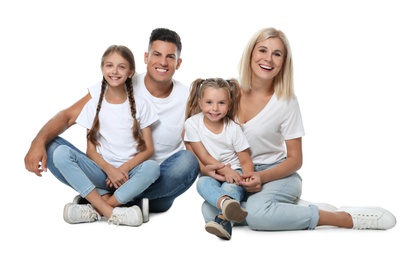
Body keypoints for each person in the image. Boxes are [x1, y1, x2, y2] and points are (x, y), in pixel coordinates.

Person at [199, 27, 397, 237]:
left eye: (277, 54)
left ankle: (343, 218)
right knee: (209, 210)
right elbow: (200, 132)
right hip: (239, 175)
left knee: (256, 216)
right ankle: (285, 209)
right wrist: (211, 168)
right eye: (263, 51)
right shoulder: (228, 91)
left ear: (284, 62)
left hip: (276, 174)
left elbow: (295, 159)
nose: (268, 59)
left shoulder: (286, 102)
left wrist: (261, 176)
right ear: (251, 53)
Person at [24, 28, 199, 221]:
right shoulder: (118, 81)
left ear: (179, 63)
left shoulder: (188, 98)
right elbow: (67, 117)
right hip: (105, 173)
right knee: (50, 145)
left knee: (188, 162)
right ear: (146, 57)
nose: (163, 62)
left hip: (152, 182)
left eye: (170, 57)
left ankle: (100, 203)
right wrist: (37, 141)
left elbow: (204, 140)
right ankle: (121, 204)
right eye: (157, 54)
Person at [59, 45, 160, 226]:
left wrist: (123, 169)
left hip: (129, 175)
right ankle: (111, 211)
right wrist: (109, 169)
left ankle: (96, 208)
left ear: (130, 72)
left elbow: (149, 149)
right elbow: (90, 151)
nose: (114, 71)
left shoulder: (142, 104)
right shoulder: (92, 105)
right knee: (60, 153)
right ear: (102, 69)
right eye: (109, 65)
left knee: (152, 168)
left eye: (121, 67)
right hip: (101, 172)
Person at [184, 78, 254, 240]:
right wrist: (224, 169)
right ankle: (226, 206)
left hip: (234, 172)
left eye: (221, 103)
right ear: (200, 103)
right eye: (209, 102)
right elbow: (203, 155)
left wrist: (246, 179)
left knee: (230, 190)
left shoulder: (233, 129)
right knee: (202, 183)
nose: (214, 108)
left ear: (229, 104)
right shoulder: (192, 124)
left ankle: (223, 219)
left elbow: (245, 160)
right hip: (212, 172)